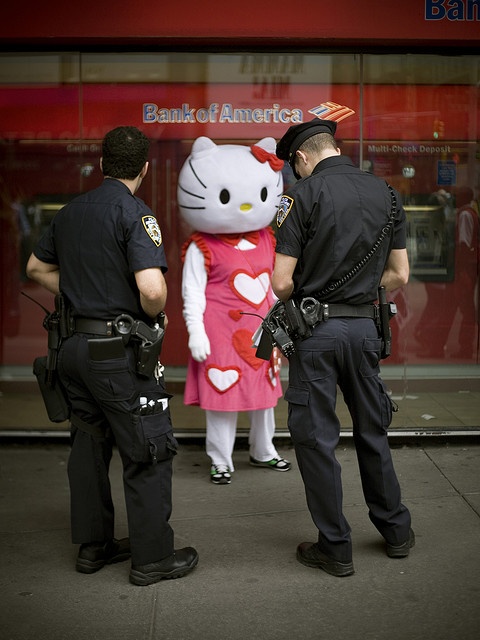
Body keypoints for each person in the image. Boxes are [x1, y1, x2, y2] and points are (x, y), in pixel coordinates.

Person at [26, 126, 198, 586]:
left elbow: (36, 267)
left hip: (72, 352)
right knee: (147, 448)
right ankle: (152, 559)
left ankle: (93, 547)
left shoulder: (70, 212)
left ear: (102, 164)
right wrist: (147, 312)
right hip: (117, 355)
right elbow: (152, 289)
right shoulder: (134, 213)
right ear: (144, 169)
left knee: (88, 446)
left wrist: (81, 296)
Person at [271, 118, 414, 577]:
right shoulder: (387, 194)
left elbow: (280, 282)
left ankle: (335, 546)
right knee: (373, 430)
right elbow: (399, 275)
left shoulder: (301, 195)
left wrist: (313, 297)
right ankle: (395, 531)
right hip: (366, 330)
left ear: (301, 159)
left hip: (316, 335)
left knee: (316, 440)